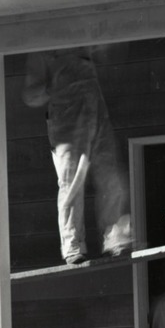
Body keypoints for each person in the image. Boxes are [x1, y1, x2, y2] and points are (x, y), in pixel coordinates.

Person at [23, 48, 132, 265]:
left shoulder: (83, 37)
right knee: (71, 183)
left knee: (111, 178)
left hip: (96, 113)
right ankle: (73, 246)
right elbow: (30, 95)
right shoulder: (41, 49)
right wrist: (56, 86)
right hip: (66, 121)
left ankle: (115, 239)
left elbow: (109, 55)